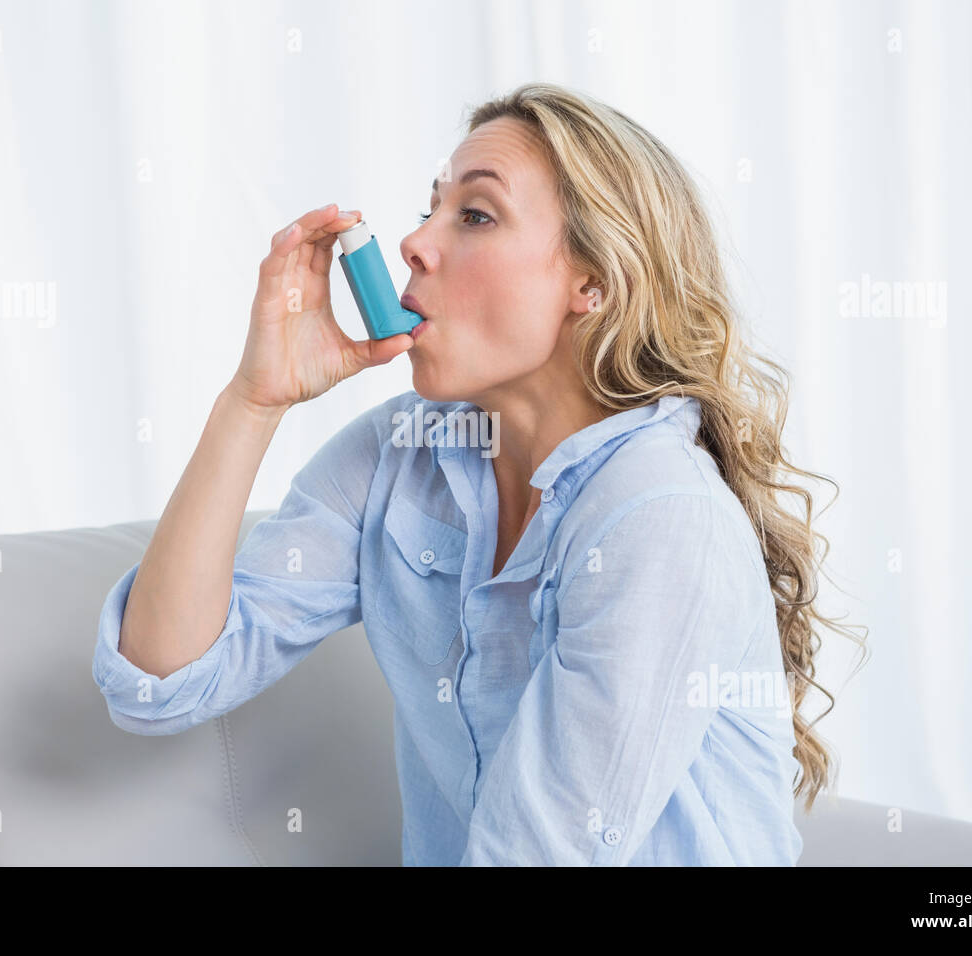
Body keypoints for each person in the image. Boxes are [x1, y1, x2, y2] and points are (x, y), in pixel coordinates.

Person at [93, 82, 860, 866]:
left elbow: (541, 850)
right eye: (430, 208)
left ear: (591, 283)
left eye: (475, 215)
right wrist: (253, 402)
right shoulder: (401, 455)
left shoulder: (659, 513)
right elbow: (159, 681)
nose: (415, 244)